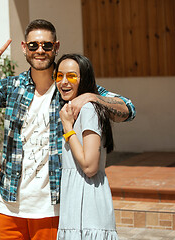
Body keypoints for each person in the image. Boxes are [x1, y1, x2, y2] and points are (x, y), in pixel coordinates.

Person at [0, 19, 135, 240]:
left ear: (56, 47)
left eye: (46, 45)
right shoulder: (13, 87)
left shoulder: (69, 87)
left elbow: (128, 109)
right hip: (10, 207)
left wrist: (92, 96)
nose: (40, 50)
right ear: (24, 47)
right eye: (33, 45)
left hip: (52, 209)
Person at [55, 53, 118, 239]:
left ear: (84, 79)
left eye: (71, 76)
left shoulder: (89, 109)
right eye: (59, 76)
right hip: (76, 202)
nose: (64, 82)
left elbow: (89, 166)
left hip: (88, 204)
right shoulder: (73, 109)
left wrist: (67, 127)